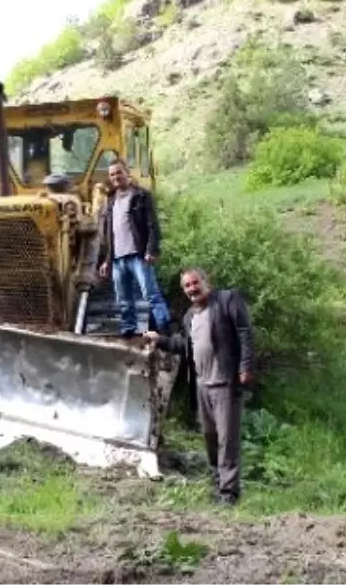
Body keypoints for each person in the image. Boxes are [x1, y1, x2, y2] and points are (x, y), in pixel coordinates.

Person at [144, 267, 256, 506]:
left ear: (207, 282)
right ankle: (219, 485)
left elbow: (245, 333)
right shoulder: (189, 316)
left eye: (195, 283)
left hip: (225, 383)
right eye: (187, 286)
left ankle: (229, 494)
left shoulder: (227, 300)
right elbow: (184, 345)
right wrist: (160, 340)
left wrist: (245, 367)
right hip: (202, 386)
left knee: (228, 440)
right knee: (210, 438)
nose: (192, 289)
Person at [97, 159, 172, 338]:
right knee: (123, 300)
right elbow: (110, 233)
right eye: (112, 174)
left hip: (138, 255)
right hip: (117, 258)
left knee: (151, 294)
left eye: (119, 173)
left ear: (127, 173)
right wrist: (107, 260)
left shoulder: (141, 195)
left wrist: (151, 250)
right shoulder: (110, 199)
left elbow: (152, 224)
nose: (116, 177)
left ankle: (164, 328)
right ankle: (128, 329)